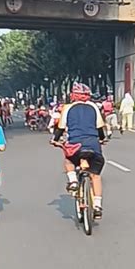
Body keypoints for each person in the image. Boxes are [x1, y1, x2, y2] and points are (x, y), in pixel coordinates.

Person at [51, 83, 106, 220]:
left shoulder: (67, 108)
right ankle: (98, 205)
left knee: (69, 161)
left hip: (75, 145)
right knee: (95, 176)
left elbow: (61, 127)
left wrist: (55, 139)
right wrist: (102, 139)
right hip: (93, 145)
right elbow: (100, 128)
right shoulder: (94, 107)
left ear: (73, 95)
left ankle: (73, 181)